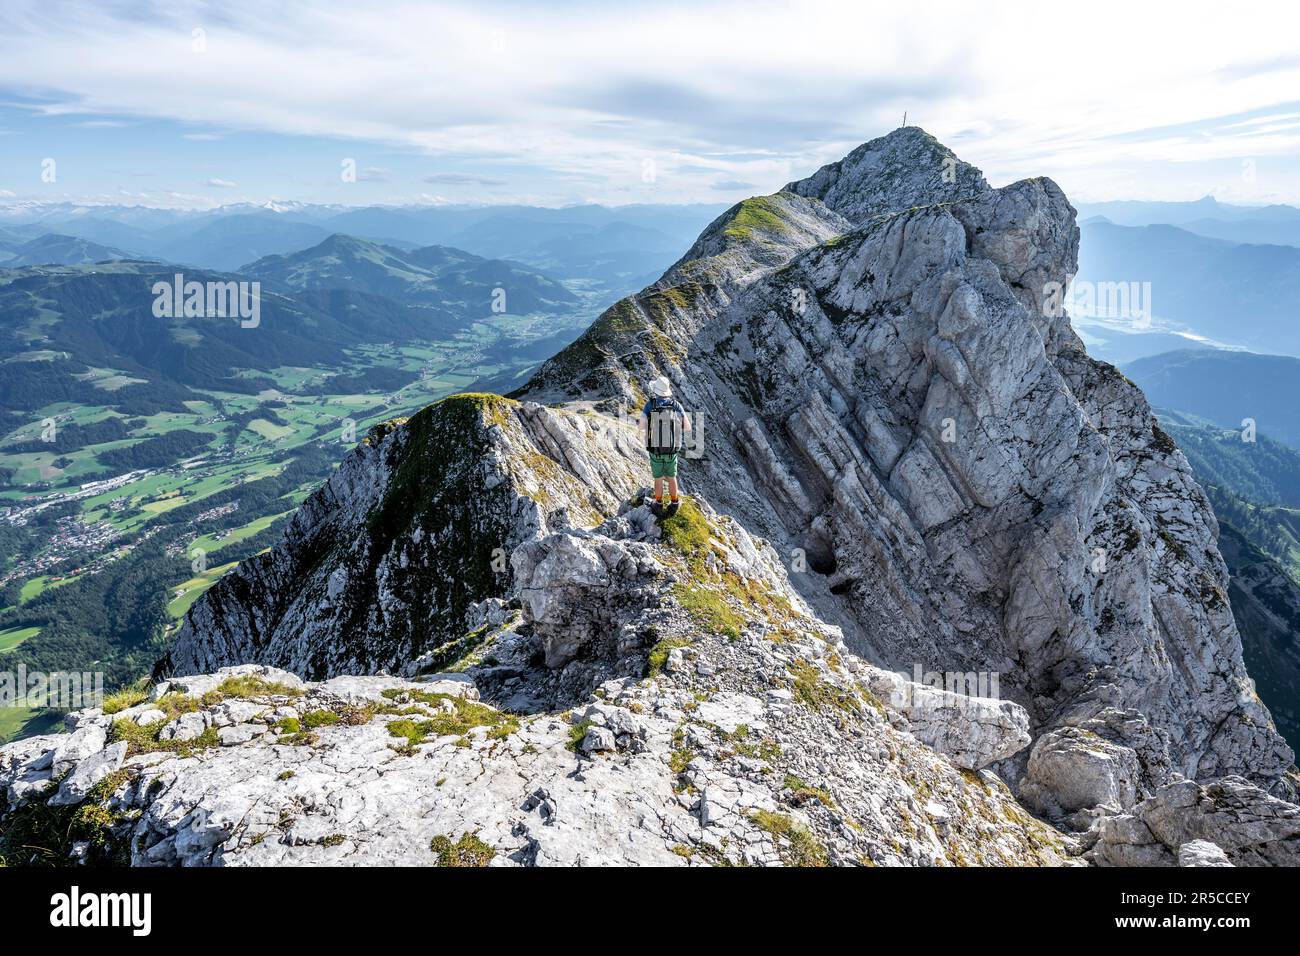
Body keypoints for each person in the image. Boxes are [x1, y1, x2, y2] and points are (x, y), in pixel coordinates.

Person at [640, 376, 691, 511]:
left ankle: (658, 503)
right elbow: (687, 427)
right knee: (671, 476)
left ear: (655, 391)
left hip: (655, 449)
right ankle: (674, 503)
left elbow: (641, 426)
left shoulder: (650, 404)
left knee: (658, 478)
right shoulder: (676, 405)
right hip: (671, 450)